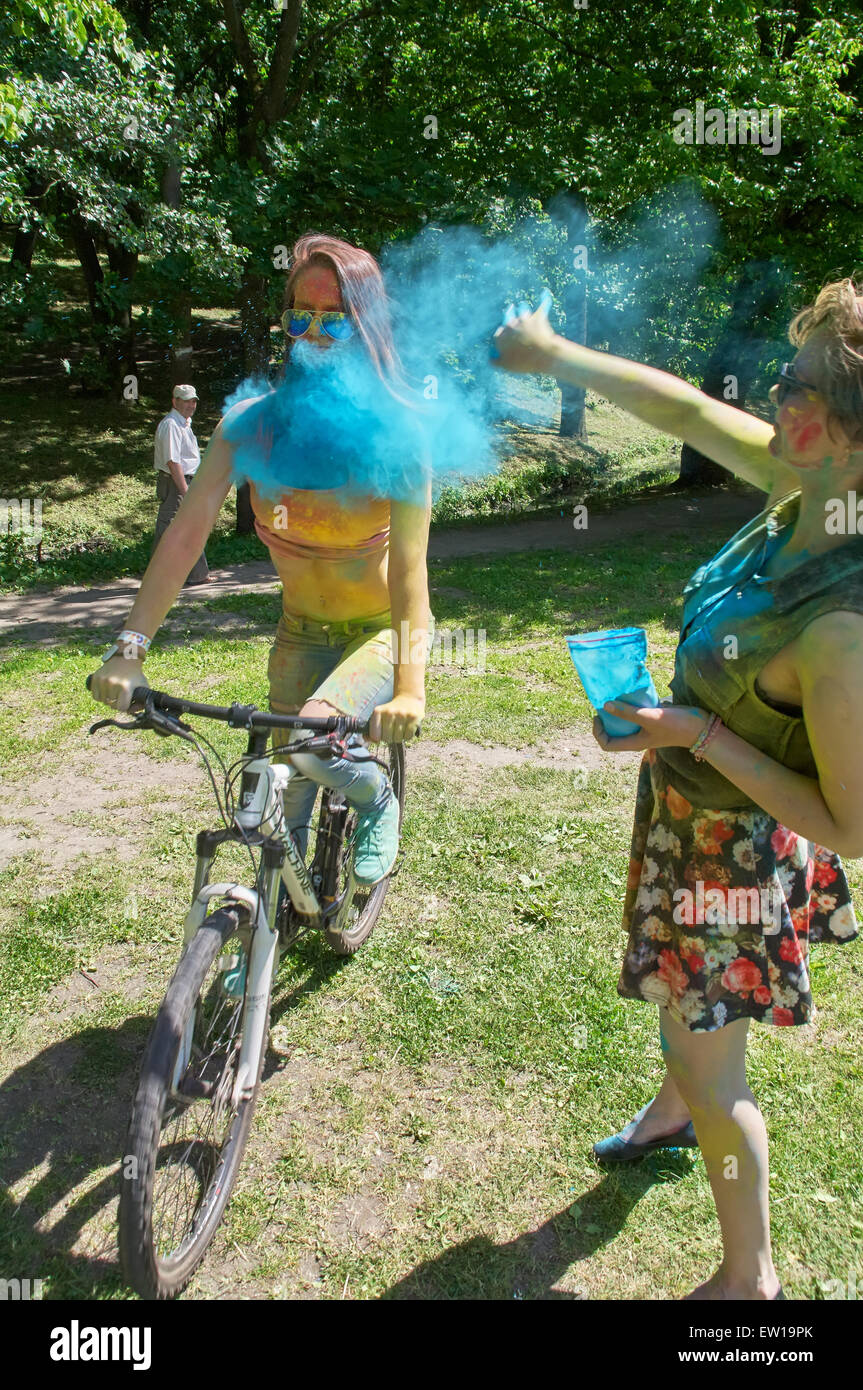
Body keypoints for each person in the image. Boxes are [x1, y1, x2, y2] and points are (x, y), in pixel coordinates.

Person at [493, 277, 863, 1300]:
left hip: (728, 859)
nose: (775, 400)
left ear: (849, 435)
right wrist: (555, 354)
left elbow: (852, 823)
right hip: (688, 817)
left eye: (802, 390)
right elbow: (689, 410)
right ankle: (669, 1107)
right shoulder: (810, 485)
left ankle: (748, 1281)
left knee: (717, 1074)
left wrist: (694, 729)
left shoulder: (841, 624)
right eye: (785, 378)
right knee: (685, 1023)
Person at [90, 234, 434, 887]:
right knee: (281, 811)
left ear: (367, 327)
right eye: (298, 316)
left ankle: (376, 797)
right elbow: (185, 537)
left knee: (316, 746)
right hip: (297, 634)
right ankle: (262, 946)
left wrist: (412, 687)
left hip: (378, 636)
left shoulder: (401, 433)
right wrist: (130, 646)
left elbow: (413, 575)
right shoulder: (247, 426)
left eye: (334, 318)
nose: (312, 334)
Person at [153, 384, 210, 586]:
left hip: (186, 480)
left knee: (189, 527)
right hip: (176, 481)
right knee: (170, 529)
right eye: (185, 400)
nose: (190, 404)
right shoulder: (171, 425)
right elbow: (172, 461)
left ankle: (197, 574)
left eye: (193, 401)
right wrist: (185, 491)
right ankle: (159, 576)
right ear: (174, 401)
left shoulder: (184, 423)